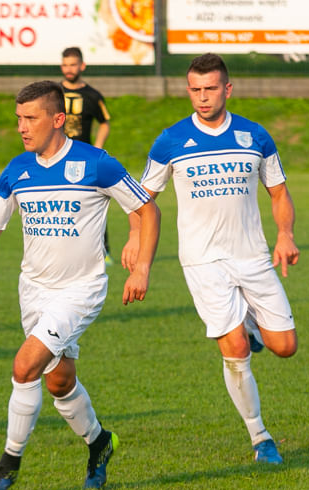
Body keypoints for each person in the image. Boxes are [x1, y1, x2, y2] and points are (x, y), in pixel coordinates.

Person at [0, 81, 161, 490]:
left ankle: (9, 462)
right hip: (33, 290)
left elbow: (146, 208)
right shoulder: (18, 169)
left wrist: (140, 265)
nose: (22, 127)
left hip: (80, 291)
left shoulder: (96, 163)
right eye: (18, 119)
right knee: (58, 382)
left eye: (30, 118)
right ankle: (100, 441)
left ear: (58, 118)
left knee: (24, 365)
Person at [125, 53, 299, 464]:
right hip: (202, 260)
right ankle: (261, 439)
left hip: (253, 256)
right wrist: (135, 239)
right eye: (195, 90)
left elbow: (278, 191)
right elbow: (143, 199)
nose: (202, 97)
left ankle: (254, 326)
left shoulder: (255, 136)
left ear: (227, 89)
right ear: (189, 90)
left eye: (210, 89)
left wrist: (285, 234)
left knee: (285, 346)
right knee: (234, 347)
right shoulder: (170, 141)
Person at [60, 46, 114, 265]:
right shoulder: (54, 93)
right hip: (58, 157)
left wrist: (98, 146)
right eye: (65, 64)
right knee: (61, 203)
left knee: (92, 201)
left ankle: (104, 249)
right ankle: (67, 250)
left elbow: (105, 122)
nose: (68, 69)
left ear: (82, 66)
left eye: (73, 64)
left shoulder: (92, 95)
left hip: (84, 159)